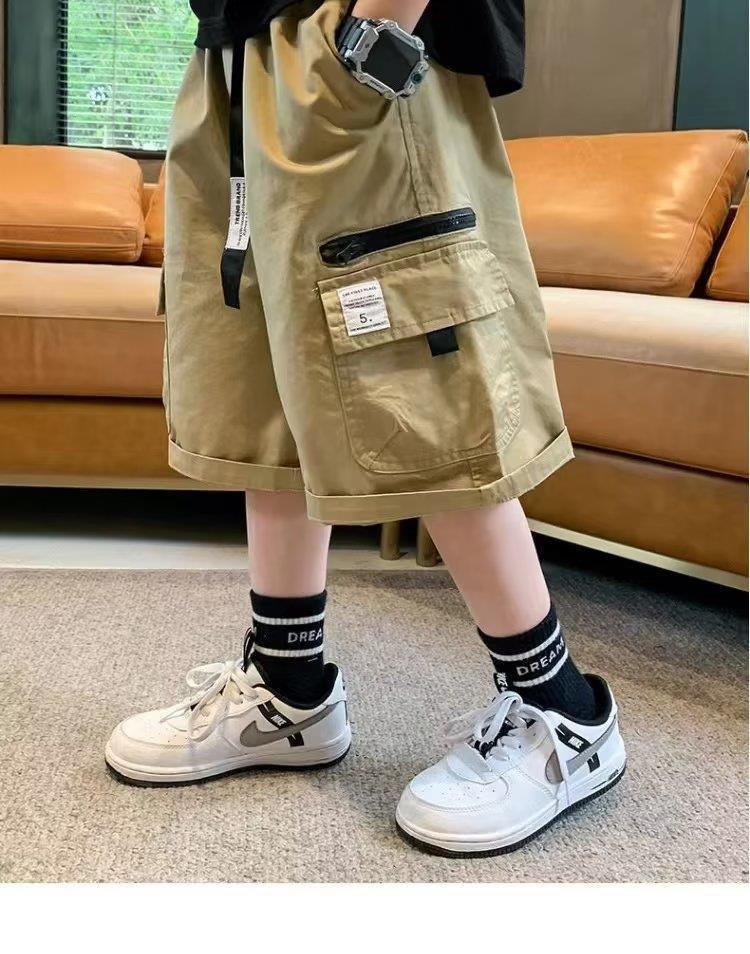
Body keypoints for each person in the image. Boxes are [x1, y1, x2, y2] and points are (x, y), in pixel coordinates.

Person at [105, 0, 626, 856]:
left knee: (424, 402)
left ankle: (563, 712)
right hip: (236, 62)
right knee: (266, 398)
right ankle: (290, 687)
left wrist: (363, 49)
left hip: (354, 56)